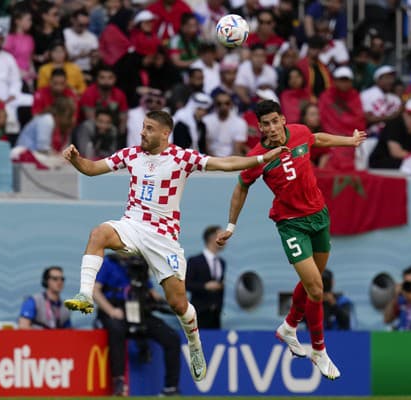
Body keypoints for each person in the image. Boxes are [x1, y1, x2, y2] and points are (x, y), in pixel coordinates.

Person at [62, 110, 289, 383]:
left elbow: (225, 163)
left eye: (148, 128)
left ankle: (194, 344)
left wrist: (262, 158)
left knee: (178, 304)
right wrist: (76, 160)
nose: (142, 132)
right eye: (143, 127)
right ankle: (86, 294)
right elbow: (92, 168)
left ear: (164, 133)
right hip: (132, 226)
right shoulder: (131, 154)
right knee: (99, 233)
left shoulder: (182, 158)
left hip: (163, 238)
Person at [216, 100, 366, 380]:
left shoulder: (298, 132)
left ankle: (289, 326)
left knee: (313, 284)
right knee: (317, 289)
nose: (271, 128)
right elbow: (240, 189)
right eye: (265, 124)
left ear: (282, 119)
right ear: (259, 127)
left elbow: (317, 138)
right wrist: (231, 226)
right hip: (291, 224)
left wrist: (350, 141)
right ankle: (319, 350)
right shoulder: (259, 156)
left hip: (319, 216)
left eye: (275, 121)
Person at [93, 253, 180, 397]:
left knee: (171, 337)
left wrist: (171, 304)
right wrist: (111, 311)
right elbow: (95, 291)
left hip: (139, 311)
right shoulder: (107, 263)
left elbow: (151, 292)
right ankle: (119, 383)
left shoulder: (141, 264)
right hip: (115, 309)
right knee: (116, 330)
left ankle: (171, 387)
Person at [186, 225, 226, 329]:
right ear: (212, 238)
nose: (226, 239)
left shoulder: (222, 263)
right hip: (199, 312)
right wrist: (205, 286)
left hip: (215, 315)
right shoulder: (195, 261)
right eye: (222, 236)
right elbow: (187, 284)